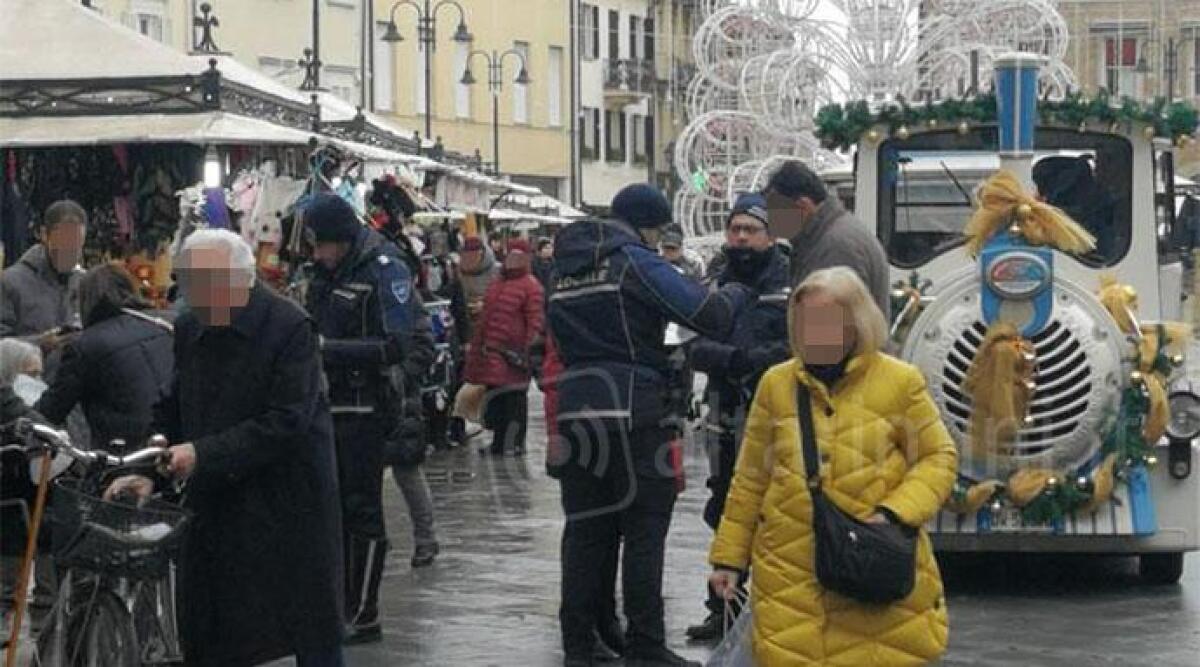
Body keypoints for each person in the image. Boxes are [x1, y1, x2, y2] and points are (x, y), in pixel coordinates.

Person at [107, 229, 345, 667]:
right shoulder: (190, 326)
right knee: (216, 633)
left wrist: (201, 453)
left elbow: (287, 420)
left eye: (204, 285)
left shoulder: (289, 327)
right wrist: (149, 468)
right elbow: (173, 405)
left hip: (285, 510)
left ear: (243, 280)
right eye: (188, 284)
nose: (193, 297)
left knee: (300, 633)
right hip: (216, 509)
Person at [707, 266, 956, 667]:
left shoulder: (901, 382)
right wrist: (728, 559)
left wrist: (895, 512)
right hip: (790, 576)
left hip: (870, 572)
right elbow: (751, 477)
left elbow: (938, 457)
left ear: (857, 322)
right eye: (805, 322)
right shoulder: (776, 384)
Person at [548, 183, 754, 667]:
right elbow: (708, 314)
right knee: (645, 528)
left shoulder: (563, 269)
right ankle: (645, 644)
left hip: (576, 409)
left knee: (585, 532)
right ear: (647, 225)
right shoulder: (635, 261)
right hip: (634, 410)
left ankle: (579, 644)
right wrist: (739, 289)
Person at [301, 194, 437, 644]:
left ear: (340, 239)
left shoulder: (384, 266)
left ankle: (363, 612)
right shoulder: (325, 272)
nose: (316, 254)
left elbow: (397, 344)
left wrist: (325, 351)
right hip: (327, 406)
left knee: (361, 508)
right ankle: (339, 605)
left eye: (321, 245)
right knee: (332, 509)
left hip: (365, 406)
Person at [683, 192, 791, 642]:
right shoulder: (714, 279)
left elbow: (797, 345)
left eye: (751, 229)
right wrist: (734, 360)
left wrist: (757, 360)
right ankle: (724, 605)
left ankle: (778, 606)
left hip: (776, 412)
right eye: (735, 229)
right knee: (725, 505)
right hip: (725, 409)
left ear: (769, 235)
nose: (741, 237)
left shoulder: (790, 278)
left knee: (778, 508)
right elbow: (689, 342)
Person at [34, 263, 173, 453]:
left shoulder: (84, 346)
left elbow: (51, 410)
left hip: (125, 451)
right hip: (174, 441)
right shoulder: (164, 325)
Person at [764, 161, 891, 316]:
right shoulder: (832, 234)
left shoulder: (835, 248)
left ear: (803, 206)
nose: (771, 222)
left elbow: (829, 327)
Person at [464, 238, 545, 456]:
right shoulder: (497, 282)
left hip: (514, 354)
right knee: (497, 398)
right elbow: (486, 319)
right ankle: (499, 442)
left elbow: (535, 322)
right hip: (492, 352)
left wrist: (529, 351)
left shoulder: (531, 286)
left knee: (515, 399)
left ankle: (515, 444)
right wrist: (477, 348)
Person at [0, 200, 86, 376]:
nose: (69, 253)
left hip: (74, 390)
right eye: (63, 245)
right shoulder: (10, 282)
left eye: (76, 247)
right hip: (27, 391)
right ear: (44, 235)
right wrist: (40, 343)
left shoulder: (84, 281)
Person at [459, 236, 501, 340]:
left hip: (494, 323)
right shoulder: (459, 272)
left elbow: (505, 296)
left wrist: (486, 304)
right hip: (468, 323)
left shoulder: (498, 270)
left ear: (482, 252)